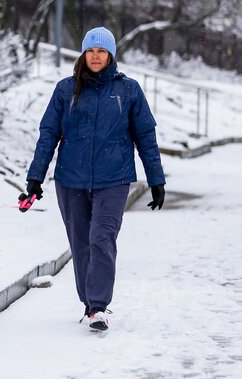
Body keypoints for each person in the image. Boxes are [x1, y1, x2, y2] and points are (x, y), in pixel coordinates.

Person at [25, 27, 166, 331]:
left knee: (101, 238)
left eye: (101, 51)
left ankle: (99, 305)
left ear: (111, 55)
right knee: (81, 244)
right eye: (90, 51)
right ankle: (89, 304)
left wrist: (156, 179)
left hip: (113, 180)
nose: (95, 56)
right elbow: (48, 134)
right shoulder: (66, 90)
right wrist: (36, 177)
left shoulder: (128, 90)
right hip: (70, 179)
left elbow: (146, 136)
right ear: (83, 54)